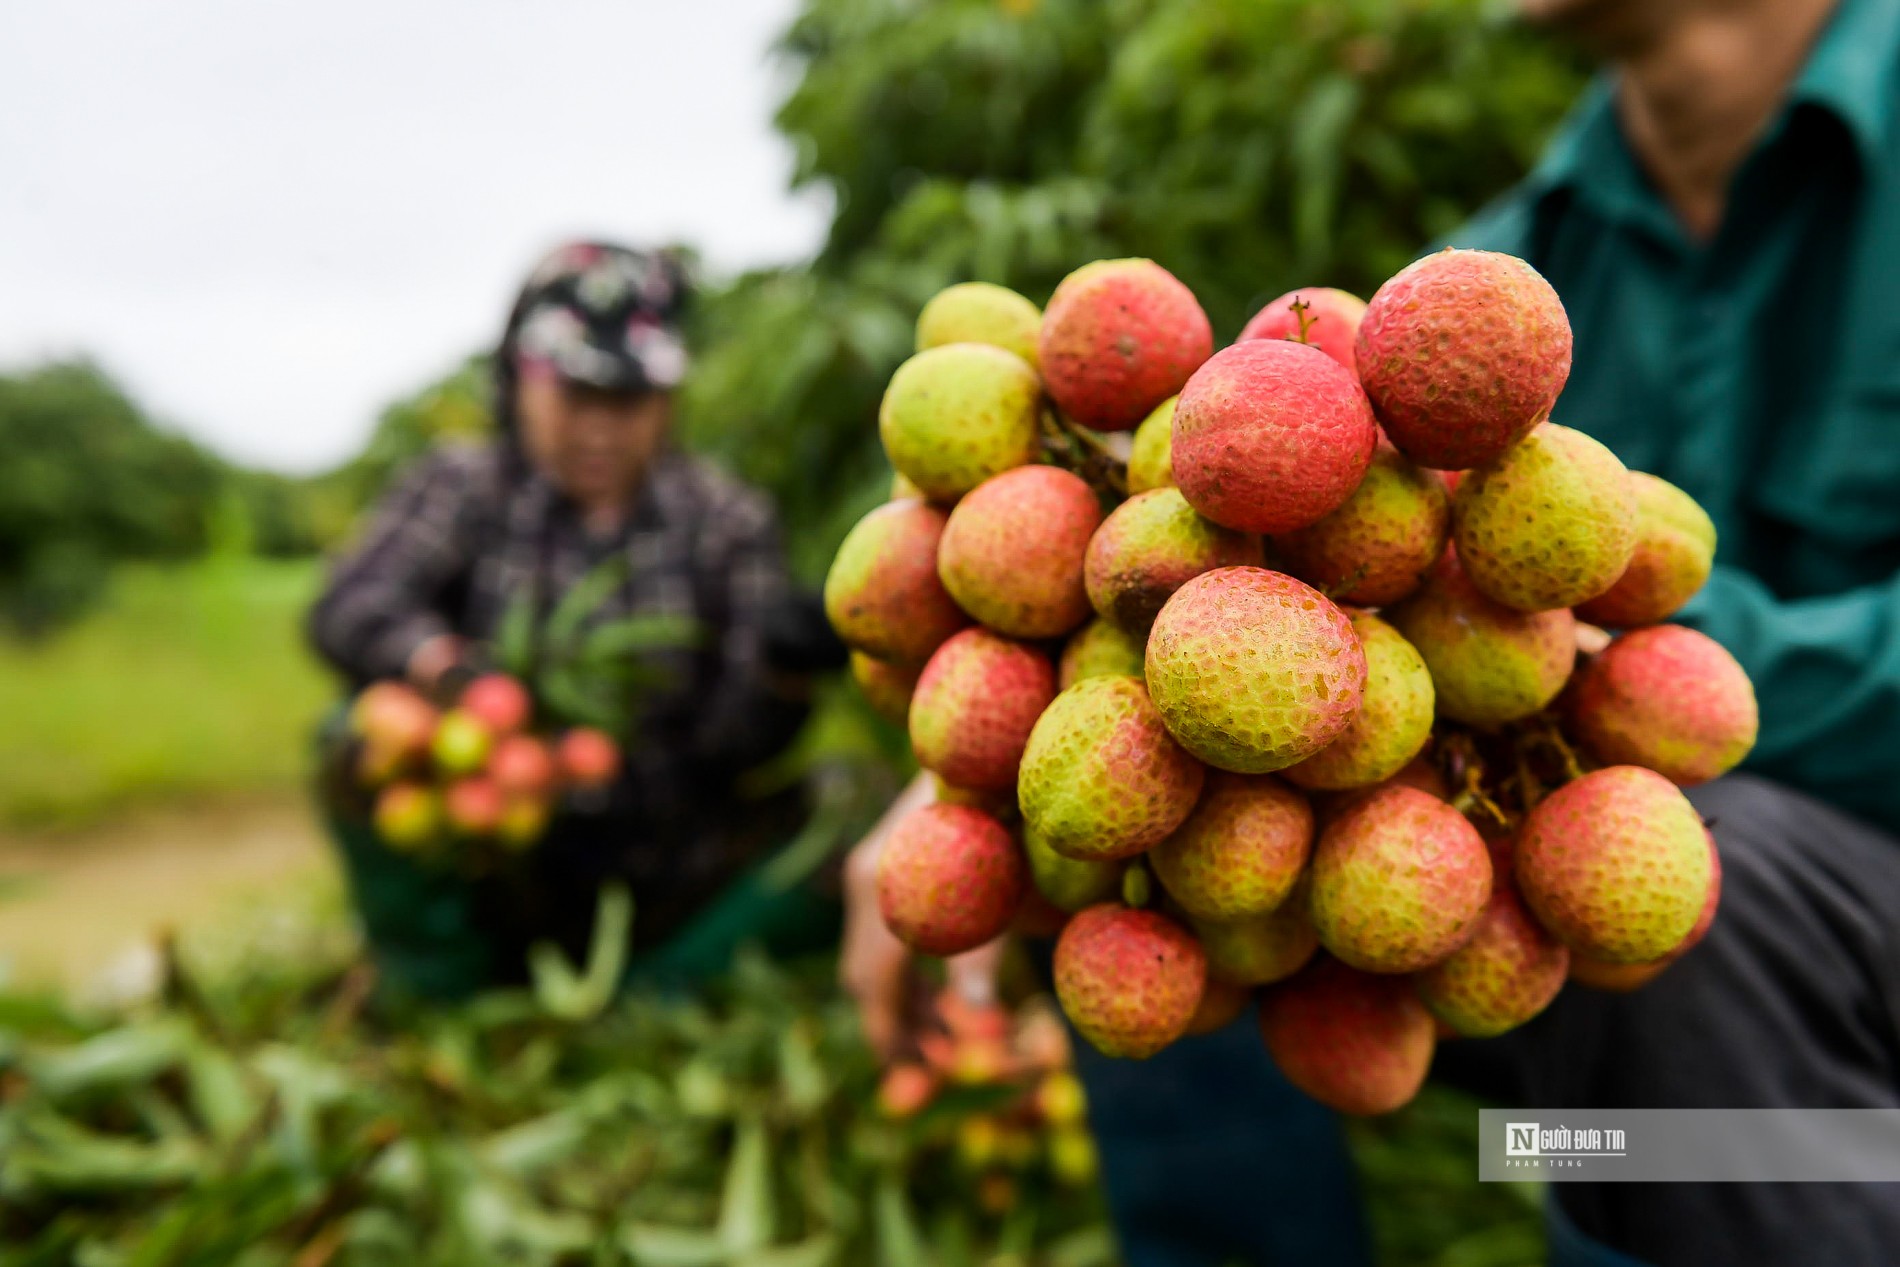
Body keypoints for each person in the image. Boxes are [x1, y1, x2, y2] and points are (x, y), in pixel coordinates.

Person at [847, 1, 1900, 1263]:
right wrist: (983, 757)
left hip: (1805, 926)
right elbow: (1307, 498)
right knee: (1152, 884)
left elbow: (1571, 614)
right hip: (1513, 938)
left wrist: (1580, 640)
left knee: (1710, 926)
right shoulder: (1500, 259)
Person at [1432, 0, 1900, 1263]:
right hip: (1646, 1039)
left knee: (1698, 887)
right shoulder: (1494, 288)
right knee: (1145, 853)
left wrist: (1628, 662)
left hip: (1781, 930)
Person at [310, 241, 845, 999]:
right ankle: (445, 989)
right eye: (575, 394)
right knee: (357, 737)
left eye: (626, 400)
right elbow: (350, 601)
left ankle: (661, 985)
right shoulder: (465, 486)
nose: (599, 428)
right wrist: (445, 667)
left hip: (674, 843)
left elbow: (734, 747)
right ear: (521, 383)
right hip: (494, 842)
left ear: (666, 399)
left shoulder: (724, 519)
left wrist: (783, 670)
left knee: (852, 809)